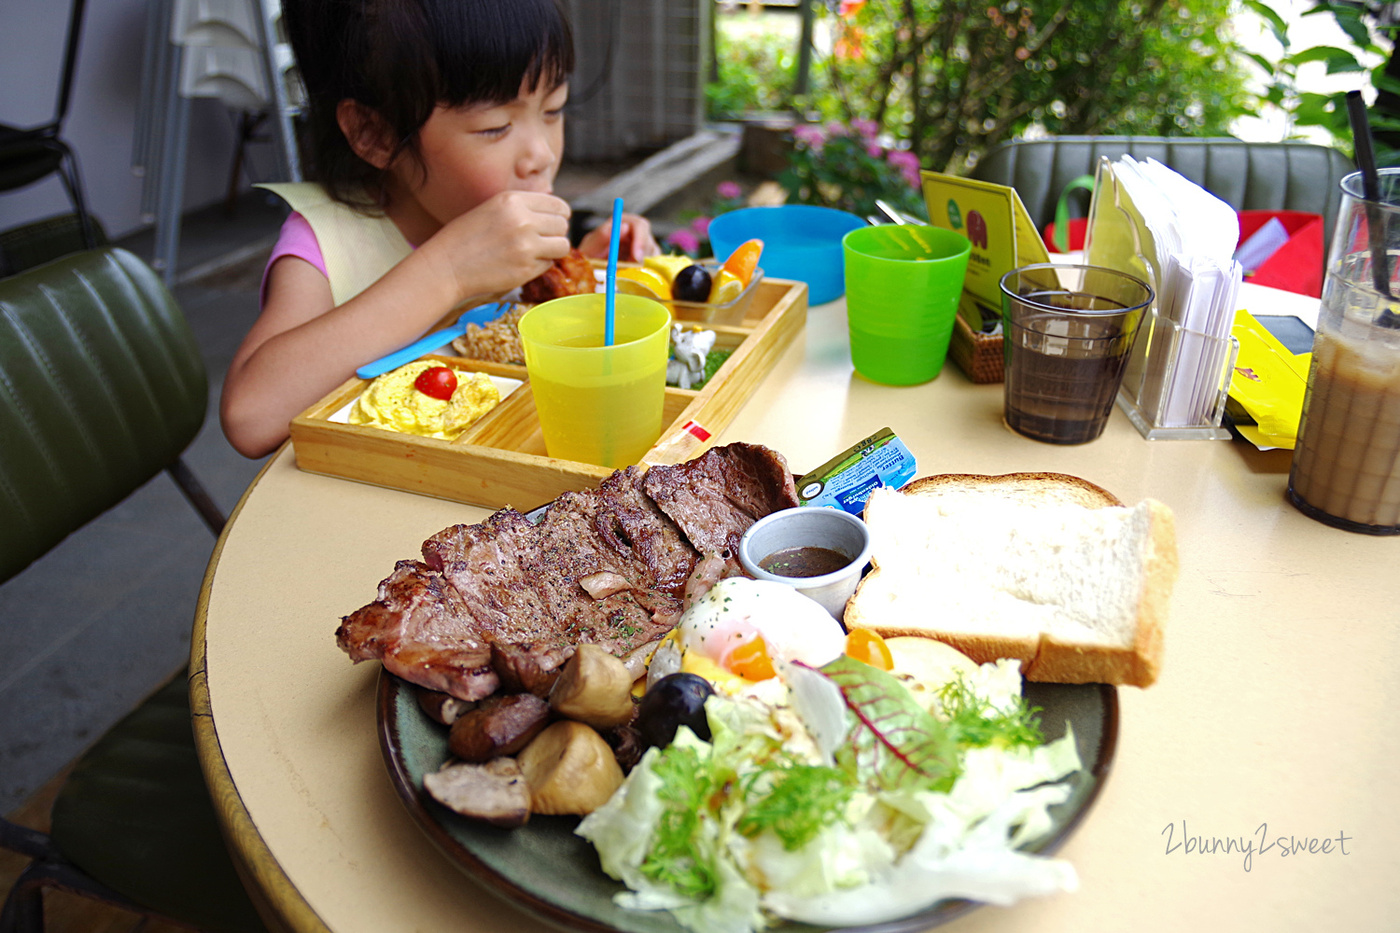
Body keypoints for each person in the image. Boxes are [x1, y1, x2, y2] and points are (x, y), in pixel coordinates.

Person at [221, 0, 658, 458]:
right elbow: (250, 418)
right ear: (376, 134)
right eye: (495, 127)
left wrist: (587, 266)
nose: (541, 155)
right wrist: (447, 272)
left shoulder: (496, 213)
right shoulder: (325, 245)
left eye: (553, 110)